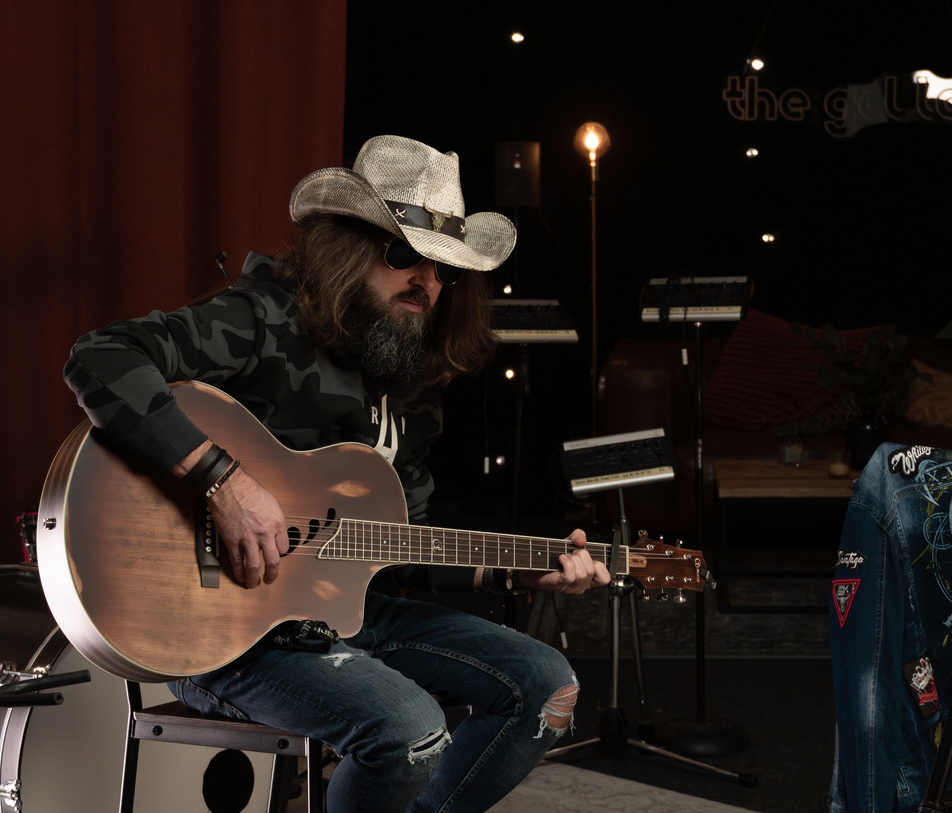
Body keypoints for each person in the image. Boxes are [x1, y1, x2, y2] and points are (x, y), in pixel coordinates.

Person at [64, 134, 611, 812]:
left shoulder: (411, 384)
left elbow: (402, 542)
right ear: (348, 249)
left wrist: (514, 570)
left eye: (445, 269)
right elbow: (102, 355)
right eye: (404, 255)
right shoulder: (264, 320)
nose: (426, 281)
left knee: (546, 685)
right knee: (411, 731)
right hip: (220, 633)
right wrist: (222, 481)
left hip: (342, 612)